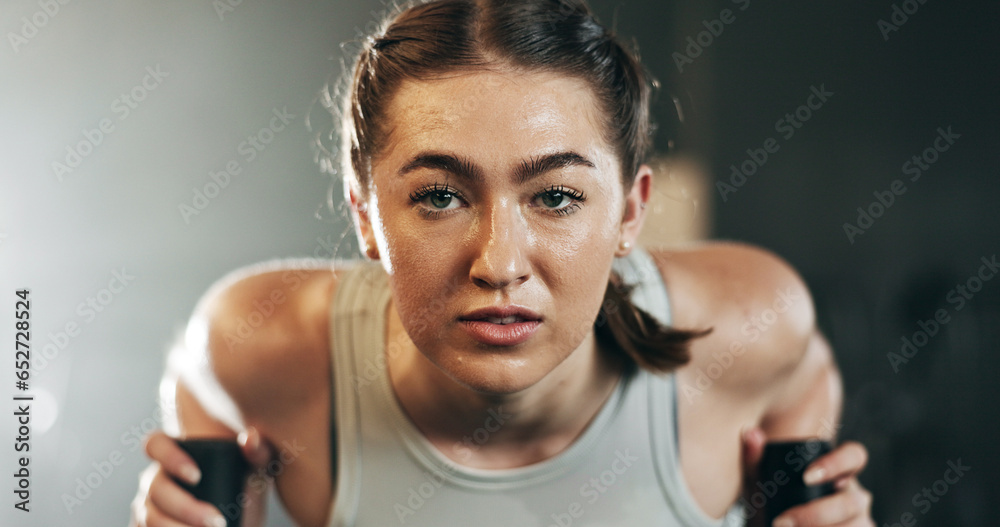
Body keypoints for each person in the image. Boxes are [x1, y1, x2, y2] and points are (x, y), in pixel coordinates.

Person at [129, 1, 873, 526]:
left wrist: (808, 489)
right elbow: (198, 377)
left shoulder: (752, 322)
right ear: (364, 213)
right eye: (441, 196)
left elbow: (806, 371)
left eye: (554, 195)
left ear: (629, 212)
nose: (500, 263)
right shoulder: (258, 344)